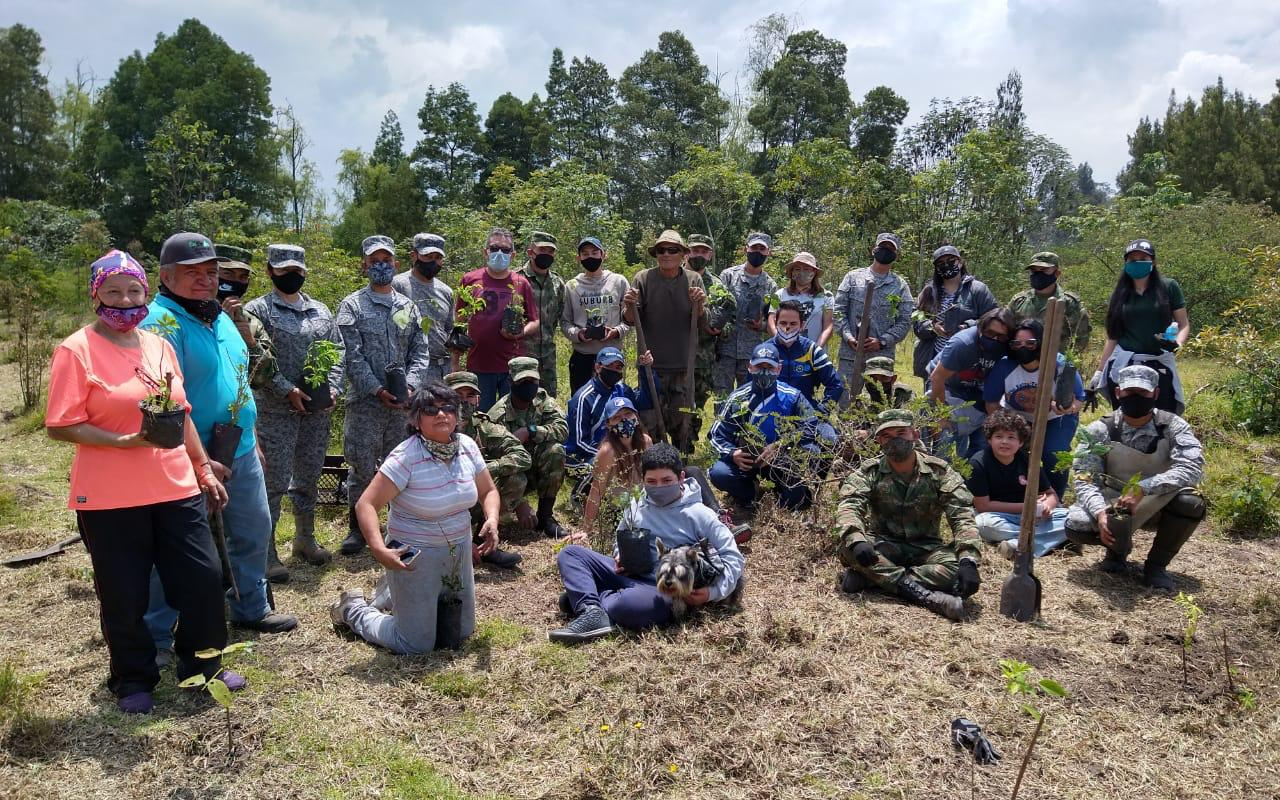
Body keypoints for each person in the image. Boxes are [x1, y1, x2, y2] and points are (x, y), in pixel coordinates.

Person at [45, 250, 242, 714]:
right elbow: (61, 423)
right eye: (113, 291)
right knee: (124, 591)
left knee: (202, 579)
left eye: (134, 291)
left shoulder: (157, 345)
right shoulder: (76, 350)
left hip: (176, 487)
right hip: (110, 497)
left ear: (146, 293)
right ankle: (133, 678)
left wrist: (203, 468)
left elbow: (182, 414)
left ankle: (203, 666)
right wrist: (126, 440)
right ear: (96, 295)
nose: (125, 300)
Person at [141, 232, 297, 638]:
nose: (205, 280)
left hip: (239, 447)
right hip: (184, 454)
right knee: (176, 547)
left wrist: (254, 438)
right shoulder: (160, 324)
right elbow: (163, 402)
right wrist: (198, 460)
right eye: (192, 273)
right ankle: (158, 633)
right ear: (166, 276)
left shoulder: (220, 316)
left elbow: (239, 382)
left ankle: (250, 606)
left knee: (254, 529)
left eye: (210, 272)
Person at [330, 382, 501, 654]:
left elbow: (489, 490)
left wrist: (491, 518)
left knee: (462, 631)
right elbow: (366, 504)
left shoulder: (467, 446)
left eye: (447, 408)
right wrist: (378, 548)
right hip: (415, 553)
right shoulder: (406, 456)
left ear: (457, 415)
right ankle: (353, 609)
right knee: (415, 644)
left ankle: (391, 592)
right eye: (430, 410)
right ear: (416, 419)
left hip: (458, 549)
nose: (441, 415)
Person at [549, 443, 745, 644]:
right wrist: (620, 555)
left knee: (628, 606)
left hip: (662, 588)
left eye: (667, 480)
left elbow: (733, 558)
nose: (659, 487)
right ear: (643, 481)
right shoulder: (637, 504)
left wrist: (712, 593)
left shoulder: (700, 514)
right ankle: (592, 611)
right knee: (571, 554)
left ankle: (590, 599)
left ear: (681, 478)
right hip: (628, 572)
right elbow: (621, 536)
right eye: (651, 481)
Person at [244, 244, 344, 579]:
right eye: (284, 270)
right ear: (270, 270)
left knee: (309, 475)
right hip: (275, 411)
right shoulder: (257, 311)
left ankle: (305, 538)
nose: (291, 276)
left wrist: (333, 387)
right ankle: (267, 551)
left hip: (316, 412)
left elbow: (338, 349)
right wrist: (287, 389)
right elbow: (254, 357)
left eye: (297, 271)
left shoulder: (320, 310)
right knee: (273, 481)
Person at [1064, 365, 1205, 590]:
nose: (1136, 398)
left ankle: (1156, 566)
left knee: (1191, 502)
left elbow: (1192, 468)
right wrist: (1100, 513)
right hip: (1113, 501)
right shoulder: (1100, 429)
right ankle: (1116, 552)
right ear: (1118, 392)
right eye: (1130, 393)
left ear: (1156, 394)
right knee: (1077, 525)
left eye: (1143, 393)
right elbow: (1084, 478)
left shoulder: (1173, 426)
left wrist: (1143, 488)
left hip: (1160, 500)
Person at [335, 235, 433, 555]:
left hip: (402, 404)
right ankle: (358, 528)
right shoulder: (352, 306)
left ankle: (398, 527)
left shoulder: (408, 306)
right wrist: (376, 389)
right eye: (374, 260)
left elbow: (420, 351)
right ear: (364, 264)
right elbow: (351, 355)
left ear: (396, 264)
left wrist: (411, 385)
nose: (381, 265)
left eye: (386, 260)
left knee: (399, 466)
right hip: (366, 402)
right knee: (361, 466)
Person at [834, 410, 979, 621]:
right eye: (887, 436)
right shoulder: (869, 472)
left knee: (957, 570)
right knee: (849, 549)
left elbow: (962, 515)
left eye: (901, 432)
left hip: (926, 549)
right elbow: (849, 505)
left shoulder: (939, 472)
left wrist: (968, 559)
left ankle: (874, 579)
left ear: (915, 434)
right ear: (879, 442)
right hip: (884, 546)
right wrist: (857, 539)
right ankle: (926, 596)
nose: (895, 440)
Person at [708, 342, 833, 514]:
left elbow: (811, 426)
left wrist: (781, 445)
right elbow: (716, 434)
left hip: (783, 459)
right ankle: (750, 495)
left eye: (770, 367)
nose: (764, 372)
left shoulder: (792, 396)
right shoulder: (737, 399)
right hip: (747, 463)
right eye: (760, 366)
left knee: (810, 453)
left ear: (778, 369)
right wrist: (732, 454)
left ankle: (787, 499)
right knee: (719, 473)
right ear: (750, 367)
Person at [621, 230, 707, 451]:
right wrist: (630, 304)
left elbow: (701, 320)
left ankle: (681, 462)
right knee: (651, 419)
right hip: (652, 366)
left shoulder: (693, 279)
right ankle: (656, 463)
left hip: (683, 365)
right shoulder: (643, 279)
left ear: (683, 255)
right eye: (661, 250)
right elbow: (631, 319)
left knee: (683, 419)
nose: (666, 254)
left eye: (672, 250)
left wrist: (698, 303)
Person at [982, 319, 1084, 499]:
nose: (1023, 348)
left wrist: (1065, 408)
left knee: (1053, 453)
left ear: (1041, 343)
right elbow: (991, 403)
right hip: (1016, 417)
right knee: (1008, 449)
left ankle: (1055, 497)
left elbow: (1078, 401)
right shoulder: (1004, 366)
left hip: (1056, 418)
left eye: (1030, 344)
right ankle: (1013, 496)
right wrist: (1011, 427)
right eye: (1017, 344)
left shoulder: (1061, 365)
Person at [1092, 239, 1190, 414]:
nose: (1137, 262)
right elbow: (1113, 336)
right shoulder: (1120, 293)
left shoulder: (1169, 287)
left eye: (1142, 258)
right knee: (1127, 418)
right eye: (1132, 259)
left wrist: (1178, 344)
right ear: (1126, 263)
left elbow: (1183, 324)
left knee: (1163, 417)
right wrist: (1099, 372)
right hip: (1125, 363)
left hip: (1159, 364)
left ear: (1153, 261)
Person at [442, 371, 527, 569]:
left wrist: (484, 470)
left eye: (469, 395)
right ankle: (455, 545)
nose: (464, 401)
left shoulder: (484, 426)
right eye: (457, 396)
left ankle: (484, 541)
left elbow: (521, 456)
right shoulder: (433, 429)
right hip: (440, 504)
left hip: (473, 495)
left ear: (478, 399)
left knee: (516, 477)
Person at [457, 227, 540, 410]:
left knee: (510, 415)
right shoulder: (470, 279)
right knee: (480, 416)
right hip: (479, 363)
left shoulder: (521, 282)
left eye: (505, 250)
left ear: (513, 255)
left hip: (512, 366)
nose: (499, 253)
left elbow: (534, 321)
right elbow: (459, 319)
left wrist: (519, 333)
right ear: (485, 251)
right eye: (494, 248)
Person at [968, 409, 1067, 560]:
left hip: (1031, 516)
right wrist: (1027, 506)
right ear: (989, 439)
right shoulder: (978, 463)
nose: (1004, 442)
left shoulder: (1028, 461)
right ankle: (1047, 539)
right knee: (983, 525)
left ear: (1021, 442)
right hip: (997, 516)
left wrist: (1047, 506)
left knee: (1072, 519)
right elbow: (983, 506)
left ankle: (1016, 545)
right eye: (998, 436)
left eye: (1011, 437)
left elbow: (1051, 493)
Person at [487, 357, 568, 538]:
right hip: (512, 475)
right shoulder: (497, 415)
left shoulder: (542, 399)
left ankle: (546, 517)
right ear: (511, 382)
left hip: (538, 467)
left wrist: (530, 431)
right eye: (523, 382)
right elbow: (493, 465)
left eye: (532, 381)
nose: (529, 386)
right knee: (513, 476)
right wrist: (520, 504)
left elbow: (562, 429)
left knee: (555, 451)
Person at [835, 232, 915, 405]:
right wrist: (848, 337)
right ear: (874, 250)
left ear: (896, 255)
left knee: (879, 405)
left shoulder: (900, 286)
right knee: (846, 403)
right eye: (882, 247)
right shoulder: (852, 278)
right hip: (850, 355)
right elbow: (838, 311)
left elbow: (904, 320)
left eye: (890, 249)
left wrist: (883, 341)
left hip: (881, 359)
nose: (885, 251)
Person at [927, 307, 1016, 458]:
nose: (995, 339)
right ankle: (940, 476)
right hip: (947, 389)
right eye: (990, 333)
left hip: (981, 396)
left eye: (1001, 337)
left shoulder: (1009, 349)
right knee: (944, 437)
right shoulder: (963, 344)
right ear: (981, 328)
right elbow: (937, 378)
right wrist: (941, 416)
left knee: (983, 446)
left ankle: (969, 478)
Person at [910, 245, 997, 390]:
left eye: (951, 260)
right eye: (941, 263)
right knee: (933, 403)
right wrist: (932, 327)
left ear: (960, 262)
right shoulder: (929, 291)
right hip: (934, 356)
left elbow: (993, 319)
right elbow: (917, 321)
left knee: (962, 405)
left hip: (966, 359)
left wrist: (968, 327)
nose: (946, 265)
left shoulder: (977, 289)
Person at [560, 236, 632, 395]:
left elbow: (629, 319)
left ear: (603, 254)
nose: (590, 257)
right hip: (582, 357)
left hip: (612, 357)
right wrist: (578, 334)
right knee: (581, 402)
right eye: (585, 254)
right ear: (578, 258)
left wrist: (616, 332)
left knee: (614, 405)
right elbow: (565, 322)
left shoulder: (618, 282)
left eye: (594, 252)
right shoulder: (571, 286)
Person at [563, 346, 652, 470]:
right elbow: (579, 442)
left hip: (618, 449)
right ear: (598, 367)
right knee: (610, 467)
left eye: (618, 367)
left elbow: (645, 402)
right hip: (583, 456)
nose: (614, 371)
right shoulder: (583, 398)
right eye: (609, 366)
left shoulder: (622, 390)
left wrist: (645, 370)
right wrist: (611, 456)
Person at [686, 233, 734, 444]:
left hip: (703, 358)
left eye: (704, 251)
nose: (699, 255)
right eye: (695, 250)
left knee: (696, 404)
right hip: (675, 354)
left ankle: (687, 446)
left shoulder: (717, 286)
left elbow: (731, 320)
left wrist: (720, 330)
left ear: (710, 254)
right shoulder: (675, 278)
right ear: (687, 252)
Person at [715, 232, 780, 390]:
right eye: (754, 247)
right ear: (746, 249)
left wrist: (761, 325)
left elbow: (773, 320)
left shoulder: (771, 286)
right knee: (721, 397)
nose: (757, 252)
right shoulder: (728, 276)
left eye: (762, 249)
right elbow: (716, 308)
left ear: (768, 252)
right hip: (725, 349)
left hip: (752, 353)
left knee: (749, 398)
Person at [581, 396, 653, 534]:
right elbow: (596, 491)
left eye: (628, 414)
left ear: (636, 417)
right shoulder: (608, 452)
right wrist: (586, 529)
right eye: (617, 417)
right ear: (608, 424)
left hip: (643, 505)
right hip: (619, 511)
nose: (624, 420)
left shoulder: (646, 442)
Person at [391, 232, 455, 382]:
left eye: (437, 258)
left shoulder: (446, 291)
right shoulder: (397, 285)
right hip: (408, 368)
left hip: (440, 369)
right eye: (428, 257)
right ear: (414, 256)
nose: (433, 262)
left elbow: (448, 328)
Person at [213, 244, 277, 391]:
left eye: (243, 277)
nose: (236, 281)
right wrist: (222, 326)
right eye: (228, 274)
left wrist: (251, 342)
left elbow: (265, 378)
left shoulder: (251, 323)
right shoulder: (194, 316)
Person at [1007, 251, 1091, 356]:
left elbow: (1081, 338)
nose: (1038, 274)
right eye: (1034, 270)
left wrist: (1064, 362)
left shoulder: (1069, 304)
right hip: (1021, 363)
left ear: (1057, 273)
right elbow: (1006, 332)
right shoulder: (1019, 301)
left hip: (1055, 365)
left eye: (1044, 270)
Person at [515, 231, 566, 396]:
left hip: (548, 357)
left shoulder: (558, 283)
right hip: (522, 356)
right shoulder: (516, 279)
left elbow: (557, 317)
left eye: (551, 251)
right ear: (531, 252)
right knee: (521, 400)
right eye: (542, 250)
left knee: (548, 402)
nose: (547, 255)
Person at [771, 300, 843, 409]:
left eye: (793, 324)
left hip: (805, 414)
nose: (787, 328)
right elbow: (749, 387)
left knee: (829, 427)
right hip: (772, 414)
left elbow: (835, 385)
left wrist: (821, 413)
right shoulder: (765, 351)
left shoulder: (812, 350)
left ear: (802, 325)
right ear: (776, 323)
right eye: (783, 323)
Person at [769, 251, 834, 347]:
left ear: (814, 272)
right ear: (792, 272)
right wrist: (782, 343)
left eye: (807, 269)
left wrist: (816, 349)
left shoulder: (826, 296)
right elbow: (771, 322)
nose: (801, 272)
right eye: (797, 269)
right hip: (783, 352)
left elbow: (828, 326)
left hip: (814, 353)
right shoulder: (778, 295)